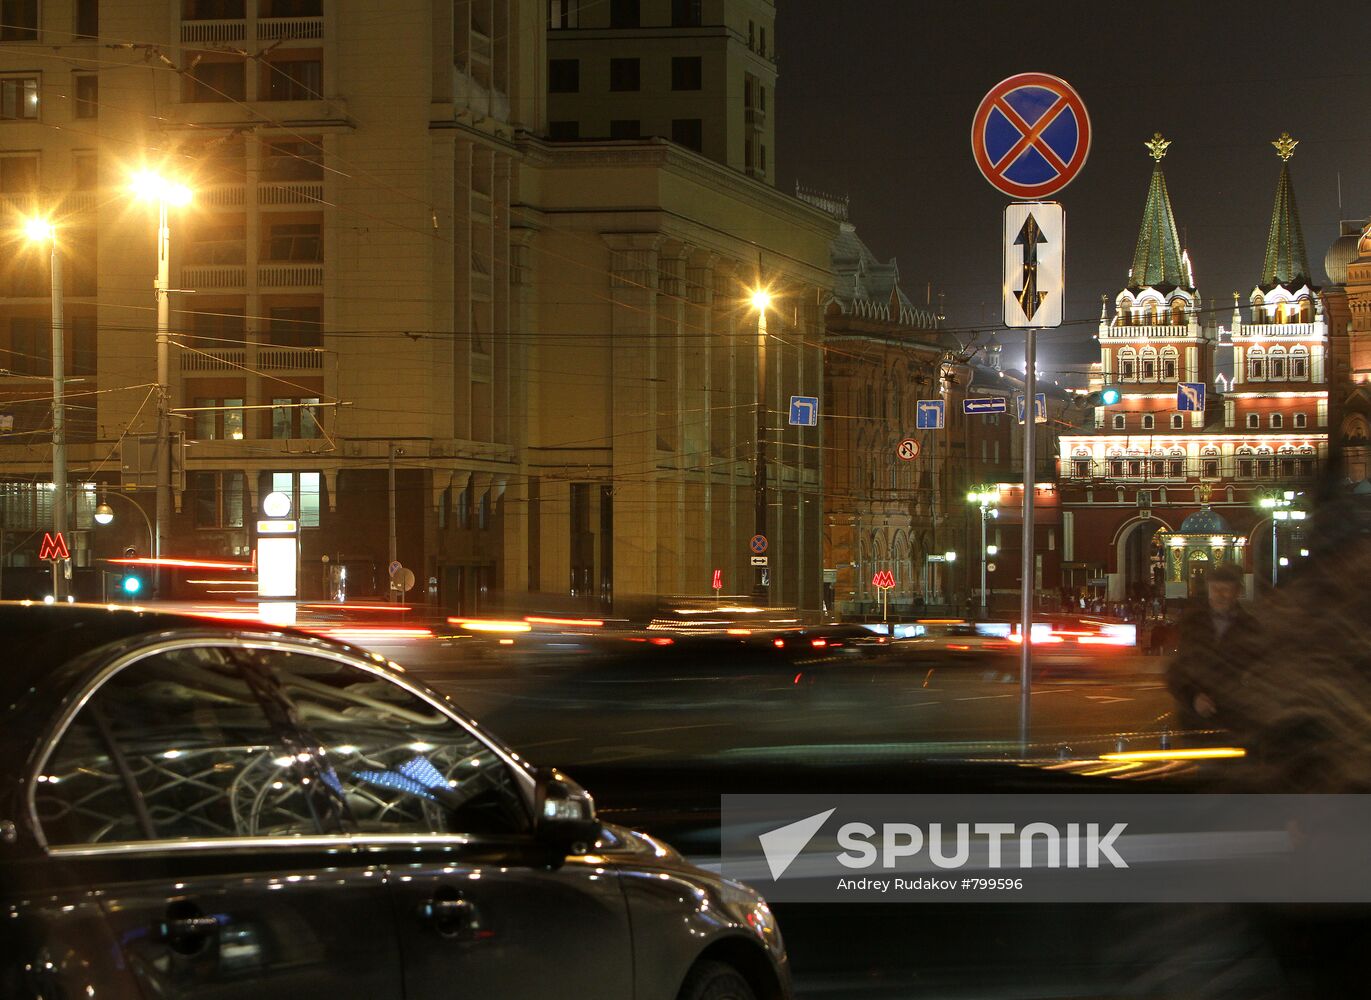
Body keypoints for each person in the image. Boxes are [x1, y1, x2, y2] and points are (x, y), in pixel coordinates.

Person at [1165, 561, 1258, 731]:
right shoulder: (1192, 624)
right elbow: (1177, 670)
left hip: (1235, 721)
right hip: (1195, 720)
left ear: (1237, 592)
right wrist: (1193, 698)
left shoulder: (1250, 628)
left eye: (1226, 590)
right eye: (1215, 589)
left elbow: (1259, 673)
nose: (1219, 595)